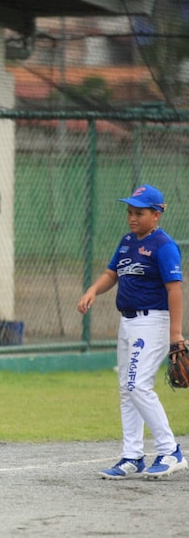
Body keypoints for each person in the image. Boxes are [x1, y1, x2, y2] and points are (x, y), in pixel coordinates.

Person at [76, 184, 188, 480]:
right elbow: (112, 273)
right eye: (129, 211)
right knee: (127, 388)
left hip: (153, 322)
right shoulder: (127, 242)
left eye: (139, 212)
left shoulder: (164, 246)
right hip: (128, 323)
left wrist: (176, 334)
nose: (132, 217)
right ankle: (132, 455)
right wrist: (93, 290)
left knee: (138, 385)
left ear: (157, 214)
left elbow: (175, 290)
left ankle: (170, 450)